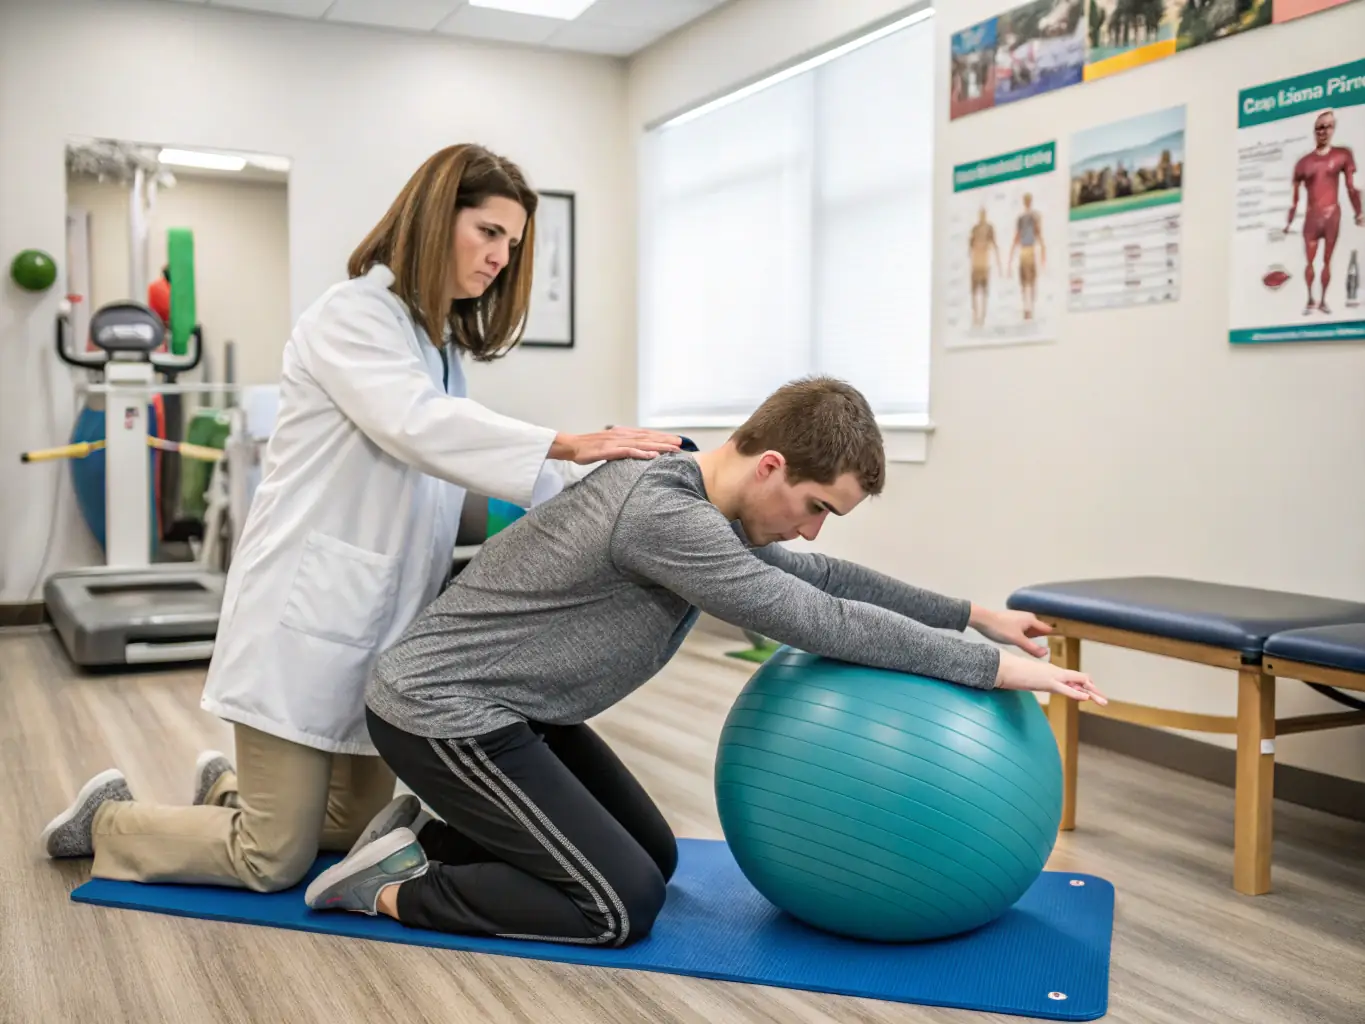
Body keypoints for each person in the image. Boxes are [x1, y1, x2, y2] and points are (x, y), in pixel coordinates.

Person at [39, 143, 682, 892]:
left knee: (348, 829)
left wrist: (600, 471)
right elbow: (417, 424)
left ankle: (224, 791)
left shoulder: (436, 343)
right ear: (438, 220)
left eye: (513, 242)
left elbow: (457, 431)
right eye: (489, 232)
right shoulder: (352, 314)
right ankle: (111, 820)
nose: (502, 256)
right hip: (302, 617)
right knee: (272, 858)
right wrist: (568, 442)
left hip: (375, 624)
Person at [300, 376, 1107, 947]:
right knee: (616, 906)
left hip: (518, 712)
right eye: (816, 508)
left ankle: (423, 834)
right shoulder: (664, 514)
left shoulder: (706, 508)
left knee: (653, 856)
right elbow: (815, 617)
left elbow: (823, 579)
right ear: (770, 467)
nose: (813, 531)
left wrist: (972, 615)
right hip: (445, 714)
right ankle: (386, 890)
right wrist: (994, 671)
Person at [1286, 109, 1362, 316]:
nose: (1323, 131)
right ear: (1314, 130)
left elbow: (1351, 187)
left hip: (1332, 216)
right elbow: (1295, 199)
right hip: (1312, 217)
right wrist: (1289, 223)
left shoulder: (1342, 155)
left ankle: (1323, 300)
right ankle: (1310, 298)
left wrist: (1359, 213)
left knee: (1326, 261)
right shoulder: (1303, 163)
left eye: (1327, 127)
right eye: (1319, 127)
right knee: (1309, 260)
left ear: (1333, 129)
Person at [1008, 192, 1045, 322]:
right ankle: (1027, 308)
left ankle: (1031, 308)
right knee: (1025, 282)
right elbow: (1017, 237)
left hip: (1029, 250)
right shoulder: (1022, 218)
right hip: (1025, 250)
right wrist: (1010, 258)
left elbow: (1038, 233)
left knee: (1031, 281)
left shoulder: (1034, 217)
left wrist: (1043, 253)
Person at [968, 208, 1002, 328]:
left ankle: (982, 317)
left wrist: (999, 265)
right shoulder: (975, 229)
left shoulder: (989, 228)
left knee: (983, 292)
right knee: (974, 292)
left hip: (983, 264)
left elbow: (994, 245)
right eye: (980, 213)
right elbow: (970, 246)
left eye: (983, 214)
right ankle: (975, 316)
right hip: (976, 264)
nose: (982, 216)